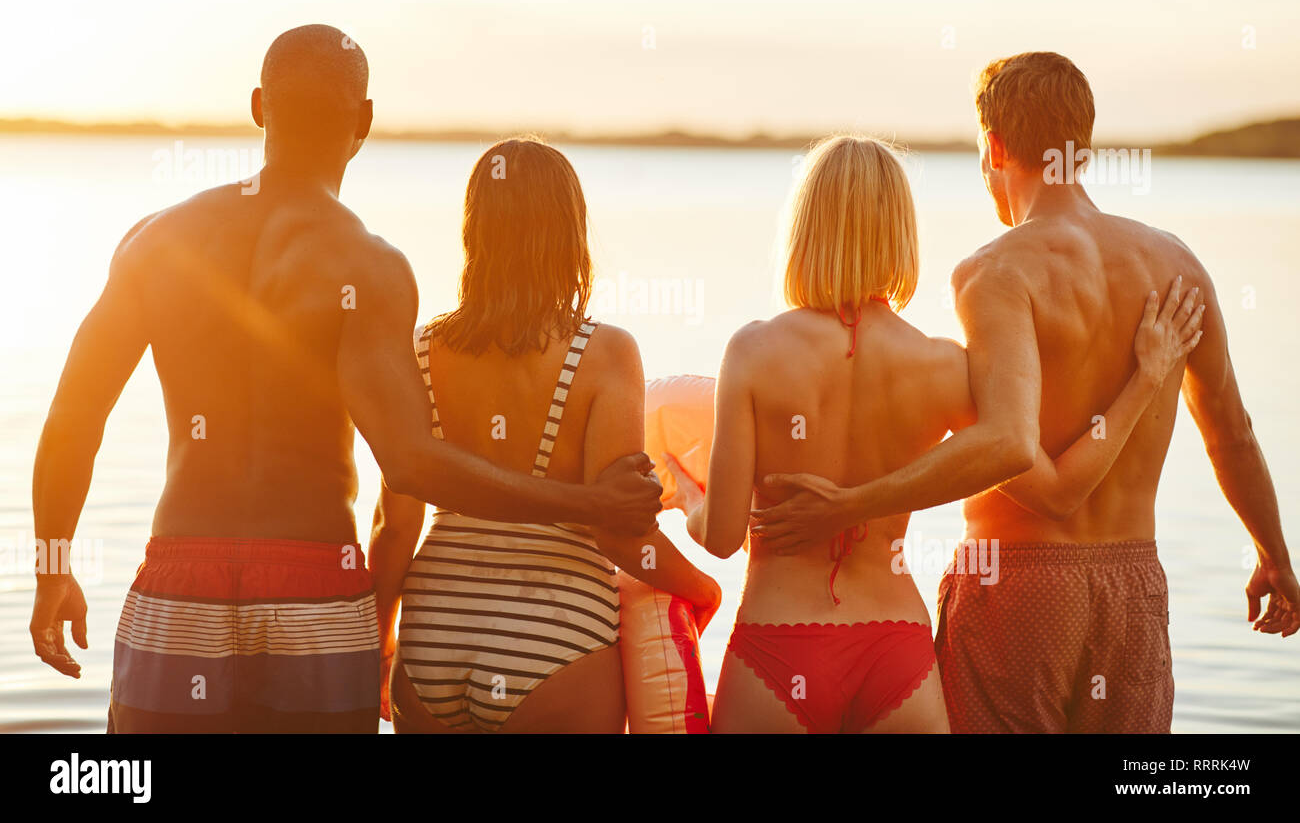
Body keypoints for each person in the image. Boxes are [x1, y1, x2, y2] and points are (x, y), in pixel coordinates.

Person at [28, 27, 662, 733]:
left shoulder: (155, 242)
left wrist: (54, 564)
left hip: (183, 579)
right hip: (316, 591)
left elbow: (72, 418)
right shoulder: (370, 267)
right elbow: (410, 462)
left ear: (258, 105)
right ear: (362, 121)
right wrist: (587, 500)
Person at [754, 53, 1299, 733]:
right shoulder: (1178, 265)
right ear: (1084, 146)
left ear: (995, 147)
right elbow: (1233, 432)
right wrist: (1272, 554)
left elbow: (1007, 449)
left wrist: (853, 505)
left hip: (1015, 584)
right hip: (1133, 587)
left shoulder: (995, 273)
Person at [687, 133, 1202, 733]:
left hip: (778, 643)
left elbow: (723, 537)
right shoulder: (943, 366)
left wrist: (689, 494)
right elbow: (1058, 487)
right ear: (900, 234)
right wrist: (1145, 379)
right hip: (897, 655)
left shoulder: (752, 351)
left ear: (803, 229)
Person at [369, 137, 720, 733]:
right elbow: (618, 531)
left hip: (434, 635)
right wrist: (703, 587)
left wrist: (378, 641)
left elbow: (394, 523)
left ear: (475, 231)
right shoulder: (604, 354)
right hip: (556, 639)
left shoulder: (422, 350)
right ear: (568, 232)